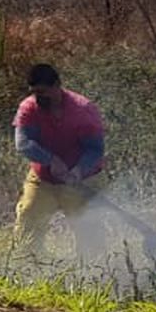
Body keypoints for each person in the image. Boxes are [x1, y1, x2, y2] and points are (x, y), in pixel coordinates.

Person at [11, 63, 109, 259]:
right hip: (43, 180)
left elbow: (95, 149)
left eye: (43, 92)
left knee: (89, 231)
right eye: (34, 92)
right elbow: (23, 143)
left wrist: (78, 171)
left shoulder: (83, 110)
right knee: (29, 215)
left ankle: (92, 273)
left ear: (57, 85)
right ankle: (28, 264)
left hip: (82, 181)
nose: (39, 97)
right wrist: (51, 160)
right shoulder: (29, 108)